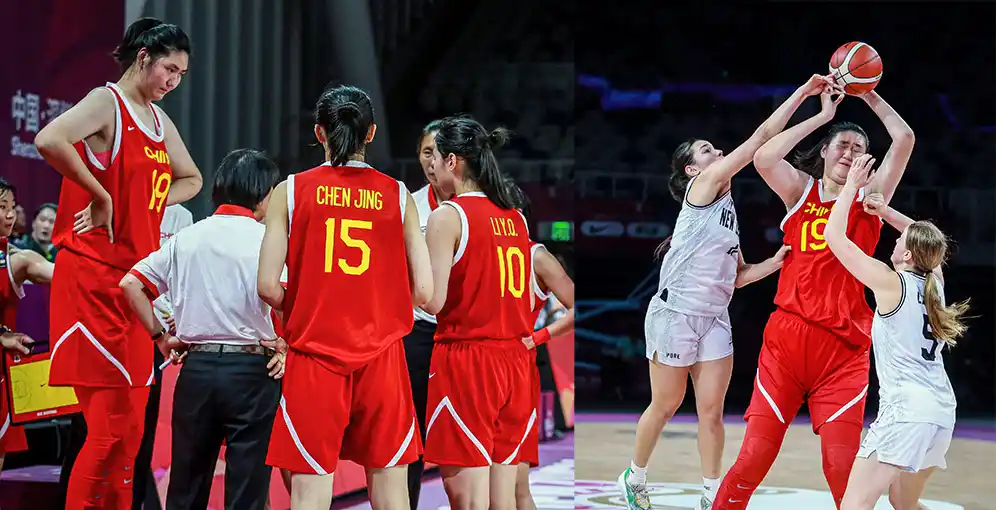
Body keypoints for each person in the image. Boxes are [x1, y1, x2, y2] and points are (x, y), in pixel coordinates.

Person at [618, 75, 834, 510]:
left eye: (716, 149)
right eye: (707, 150)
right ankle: (635, 475)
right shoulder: (702, 188)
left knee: (711, 411)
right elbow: (760, 140)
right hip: (676, 313)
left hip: (714, 316)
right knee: (666, 405)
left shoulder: (728, 211)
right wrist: (809, 100)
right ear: (692, 169)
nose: (717, 152)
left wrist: (772, 265)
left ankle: (710, 491)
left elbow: (736, 277)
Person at [714, 83, 916, 509]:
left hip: (843, 351)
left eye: (859, 147)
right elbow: (765, 156)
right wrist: (822, 115)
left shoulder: (870, 196)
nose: (850, 152)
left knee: (843, 472)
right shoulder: (799, 191)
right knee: (753, 459)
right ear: (824, 150)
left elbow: (905, 139)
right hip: (786, 343)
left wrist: (869, 94)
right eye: (842, 144)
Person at [36, 17, 202, 509]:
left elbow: (190, 178)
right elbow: (50, 139)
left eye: (182, 75)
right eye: (169, 69)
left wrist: (141, 204)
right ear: (144, 56)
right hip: (91, 280)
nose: (173, 81)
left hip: (132, 286)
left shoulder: (158, 119)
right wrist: (100, 193)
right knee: (107, 432)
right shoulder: (105, 102)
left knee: (131, 437)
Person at [258, 83, 432, 510]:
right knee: (392, 496)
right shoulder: (399, 195)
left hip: (314, 357)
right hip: (384, 359)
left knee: (311, 494)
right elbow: (426, 293)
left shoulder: (291, 191)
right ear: (371, 133)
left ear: (319, 133)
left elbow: (265, 285)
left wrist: (307, 303)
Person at [120, 149, 285, 510]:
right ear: (261, 193)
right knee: (248, 490)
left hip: (196, 371)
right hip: (252, 372)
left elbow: (131, 285)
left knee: (186, 486)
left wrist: (160, 337)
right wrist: (285, 345)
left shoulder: (187, 237)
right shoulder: (268, 241)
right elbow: (288, 300)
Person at [822, 157, 965, 510]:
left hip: (906, 411)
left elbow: (833, 236)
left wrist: (852, 187)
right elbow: (928, 240)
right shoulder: (936, 283)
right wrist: (885, 212)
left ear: (907, 252)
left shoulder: (892, 282)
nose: (895, 238)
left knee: (854, 504)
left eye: (899, 237)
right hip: (941, 412)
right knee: (904, 502)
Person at [421, 115, 533, 510]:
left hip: (469, 362)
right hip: (515, 364)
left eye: (435, 155)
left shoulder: (447, 216)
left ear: (453, 161)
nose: (430, 164)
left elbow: (432, 301)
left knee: (468, 501)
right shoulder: (515, 217)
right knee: (502, 501)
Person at [405, 118, 452, 510]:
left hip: (463, 336)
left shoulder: (482, 206)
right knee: (412, 433)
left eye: (437, 153)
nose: (431, 162)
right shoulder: (409, 204)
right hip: (418, 336)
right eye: (425, 152)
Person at [0, 178, 56, 482]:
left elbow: (70, 279)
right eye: (1, 207)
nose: (10, 215)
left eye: (12, 207)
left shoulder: (18, 260)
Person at [516, 241, 575, 510]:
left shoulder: (534, 256)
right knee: (511, 488)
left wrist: (540, 335)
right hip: (498, 365)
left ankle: (556, 424)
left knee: (513, 487)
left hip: (513, 363)